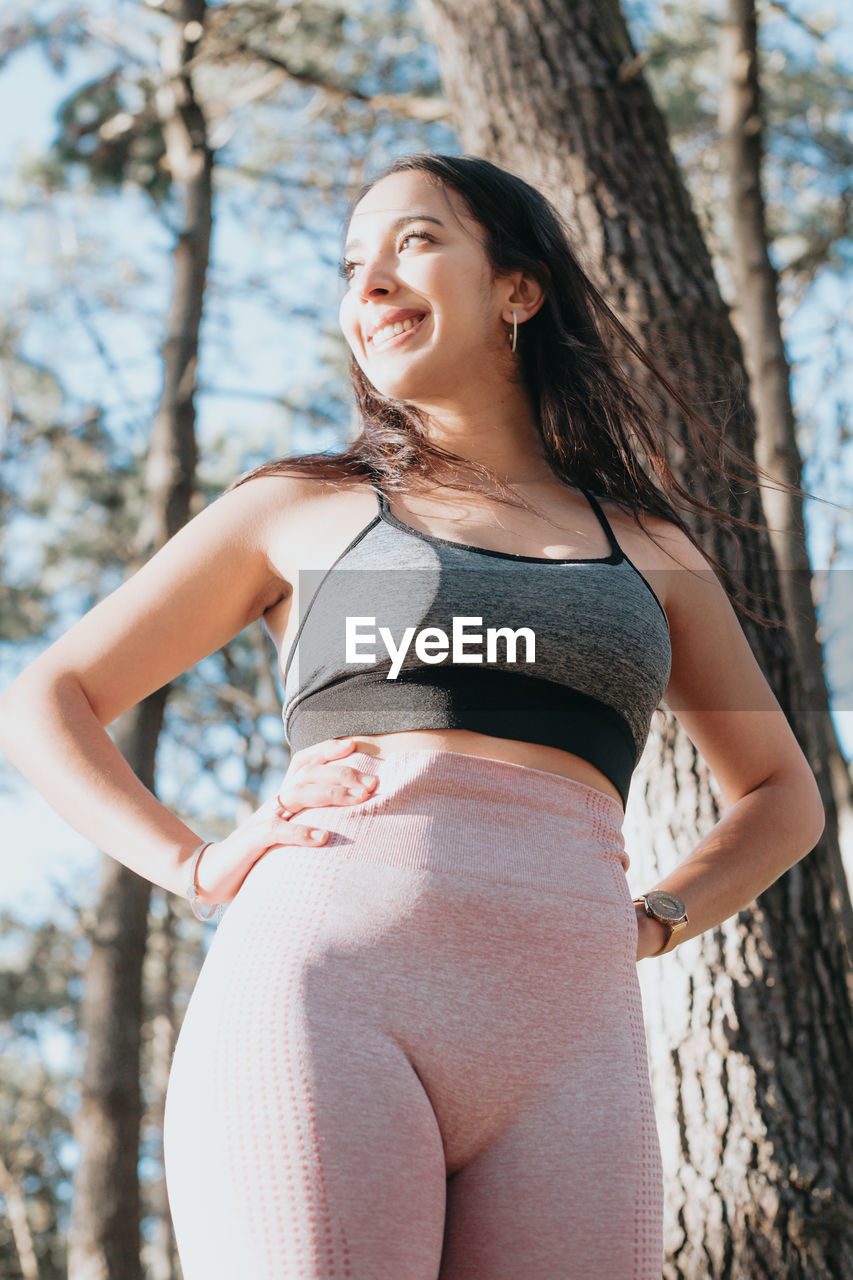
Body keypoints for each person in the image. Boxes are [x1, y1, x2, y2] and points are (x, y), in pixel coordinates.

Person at [0, 153, 824, 1280]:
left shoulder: (654, 550)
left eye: (414, 241)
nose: (369, 283)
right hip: (325, 996)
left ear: (518, 290)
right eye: (350, 264)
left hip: (572, 1037)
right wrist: (195, 865)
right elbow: (46, 699)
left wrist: (654, 918)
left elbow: (783, 799)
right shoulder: (298, 507)